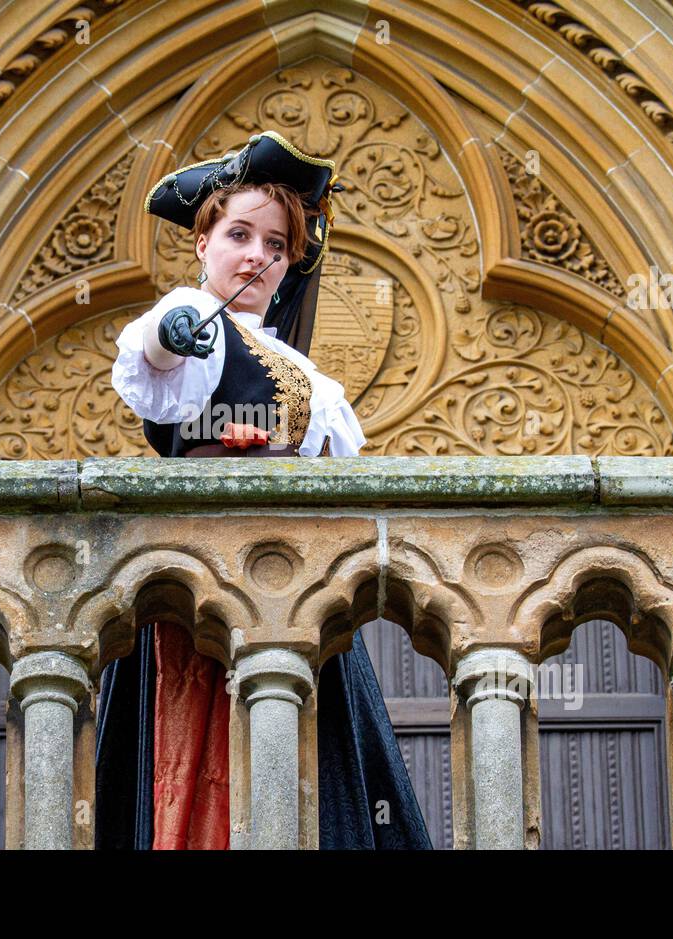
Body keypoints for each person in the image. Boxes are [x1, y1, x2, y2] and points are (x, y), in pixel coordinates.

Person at [98, 130, 432, 849]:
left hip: (290, 578)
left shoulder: (300, 369)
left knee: (311, 752)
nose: (256, 255)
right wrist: (172, 332)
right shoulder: (197, 323)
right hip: (204, 574)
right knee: (204, 745)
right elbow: (151, 366)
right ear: (203, 242)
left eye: (276, 245)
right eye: (239, 234)